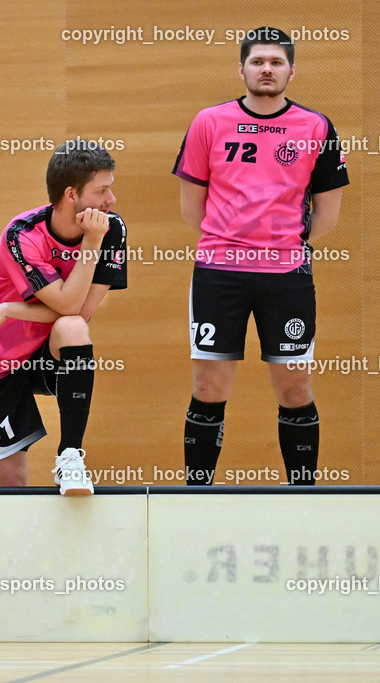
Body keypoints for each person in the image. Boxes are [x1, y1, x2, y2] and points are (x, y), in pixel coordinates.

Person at [173, 27, 349, 485]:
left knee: (294, 387)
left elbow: (326, 214)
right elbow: (193, 207)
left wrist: (280, 244)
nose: (266, 69)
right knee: (209, 387)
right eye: (257, 61)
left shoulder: (316, 126)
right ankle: (197, 494)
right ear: (241, 69)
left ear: (292, 69)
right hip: (218, 275)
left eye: (275, 62)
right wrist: (231, 241)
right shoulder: (209, 122)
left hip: (286, 277)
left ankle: (302, 492)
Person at [0, 142, 127, 493]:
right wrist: (91, 244)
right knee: (11, 483)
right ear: (72, 195)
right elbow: (66, 300)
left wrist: (10, 309)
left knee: (72, 327)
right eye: (102, 191)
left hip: (54, 351)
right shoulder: (21, 234)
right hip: (3, 356)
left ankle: (70, 457)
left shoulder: (110, 231)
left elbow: (79, 311)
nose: (111, 200)